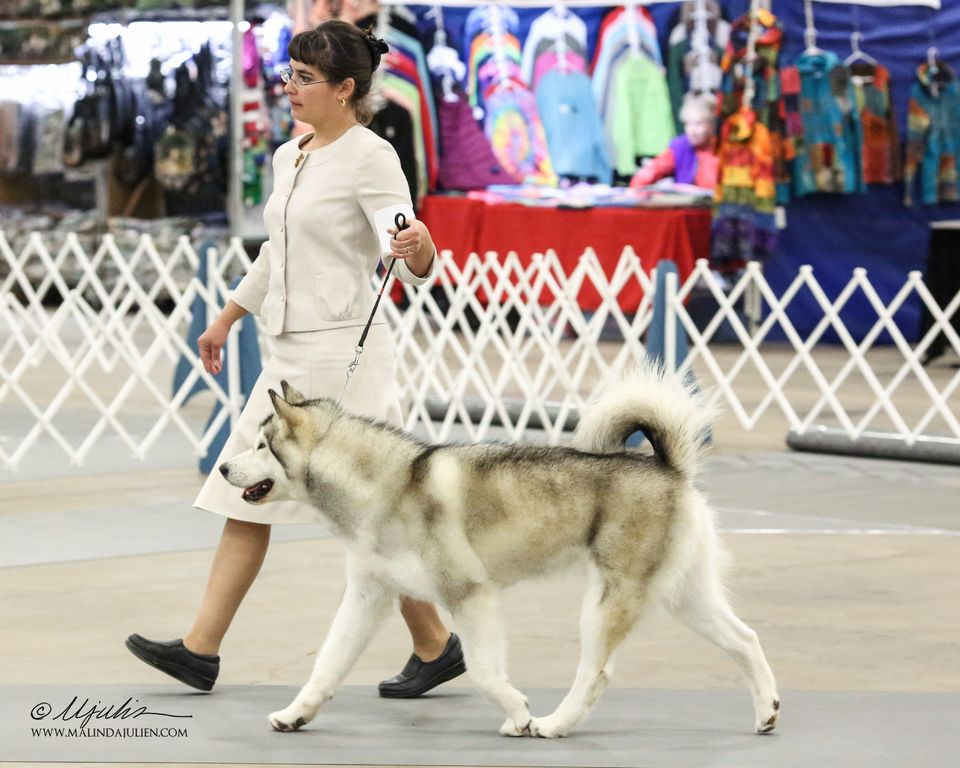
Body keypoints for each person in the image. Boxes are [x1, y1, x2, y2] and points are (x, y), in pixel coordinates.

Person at [126, 20, 466, 699]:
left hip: (342, 363)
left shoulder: (370, 156)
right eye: (288, 75)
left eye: (304, 79)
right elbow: (274, 255)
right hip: (284, 361)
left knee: (374, 522)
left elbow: (405, 247)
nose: (289, 88)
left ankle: (435, 644)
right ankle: (202, 649)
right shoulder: (291, 155)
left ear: (345, 89)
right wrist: (226, 318)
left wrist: (421, 248)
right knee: (242, 498)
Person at [630, 92, 719, 190]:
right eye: (687, 124)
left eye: (698, 124)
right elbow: (650, 172)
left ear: (712, 124)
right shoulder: (680, 147)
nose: (691, 131)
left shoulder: (723, 149)